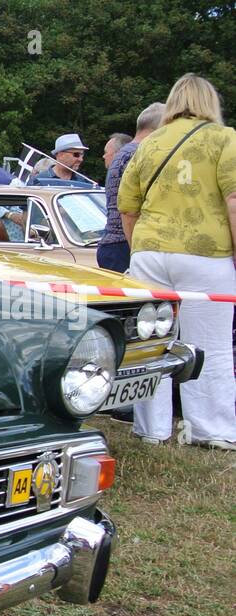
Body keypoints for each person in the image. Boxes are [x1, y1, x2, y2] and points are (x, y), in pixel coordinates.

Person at [118, 73, 236, 451]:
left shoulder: (149, 144)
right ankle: (210, 429)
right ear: (210, 102)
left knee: (151, 343)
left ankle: (151, 428)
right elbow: (234, 202)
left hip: (150, 252)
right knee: (211, 345)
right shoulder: (225, 139)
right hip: (205, 253)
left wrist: (142, 249)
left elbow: (128, 206)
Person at [98, 103, 165, 273]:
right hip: (126, 243)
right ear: (159, 127)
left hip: (118, 243)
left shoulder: (125, 153)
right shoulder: (138, 154)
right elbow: (131, 208)